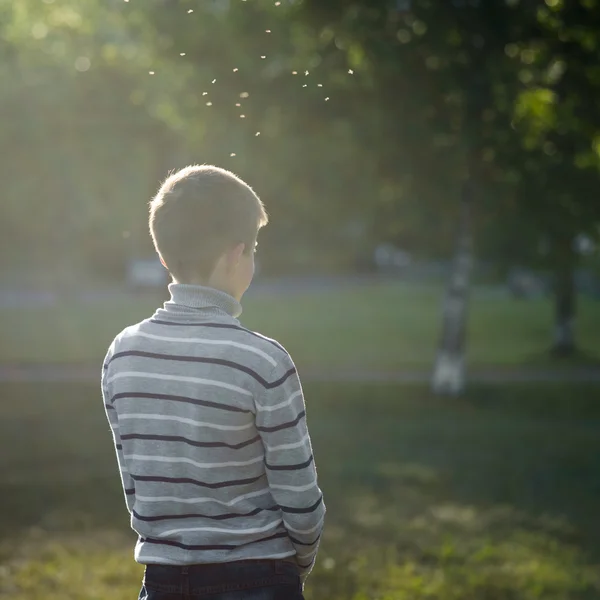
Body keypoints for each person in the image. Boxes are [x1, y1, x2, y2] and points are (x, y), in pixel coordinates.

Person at [101, 165, 325, 600]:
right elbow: (299, 497)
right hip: (259, 577)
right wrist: (298, 564)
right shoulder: (262, 360)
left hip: (163, 581)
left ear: (164, 257)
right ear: (236, 254)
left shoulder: (122, 353)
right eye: (254, 250)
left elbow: (137, 485)